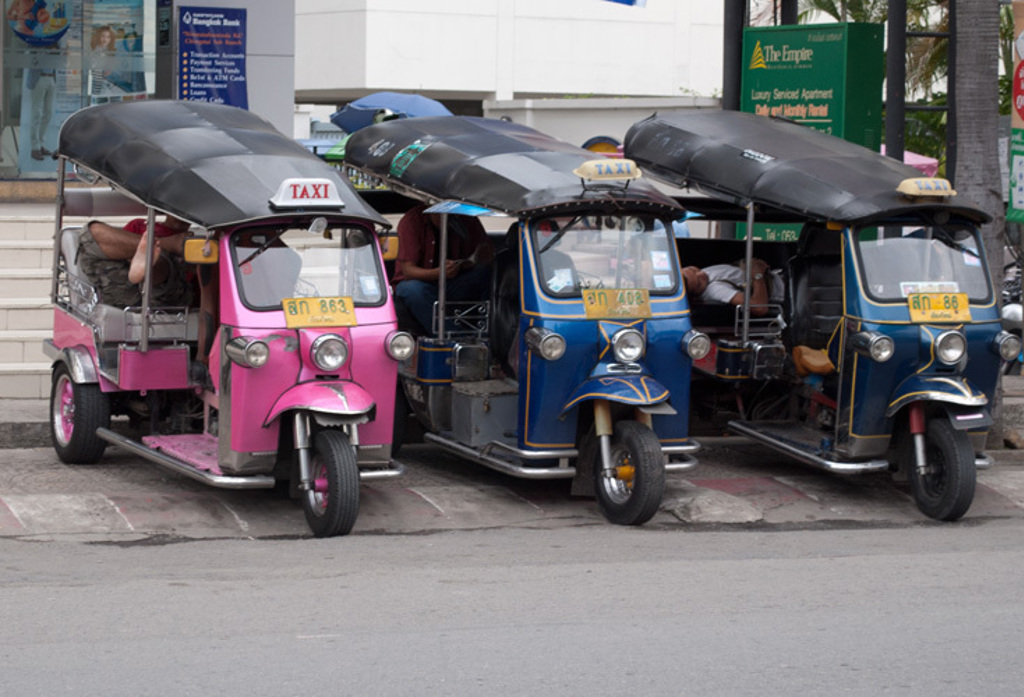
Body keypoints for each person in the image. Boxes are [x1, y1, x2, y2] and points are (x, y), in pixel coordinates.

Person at [392, 203, 493, 334]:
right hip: (421, 285)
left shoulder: (466, 218)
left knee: (486, 273)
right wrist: (438, 273)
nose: (450, 219)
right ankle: (454, 335)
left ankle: (488, 333)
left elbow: (486, 251)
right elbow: (408, 271)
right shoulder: (412, 221)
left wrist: (474, 259)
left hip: (454, 284)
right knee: (411, 289)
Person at [77, 215, 192, 308]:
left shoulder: (201, 241)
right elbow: (118, 252)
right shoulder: (139, 226)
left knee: (163, 262)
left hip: (166, 296)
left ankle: (148, 262)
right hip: (126, 288)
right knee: (92, 232)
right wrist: (169, 244)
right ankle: (156, 249)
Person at [682, 258, 782, 317]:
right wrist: (758, 275)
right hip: (781, 289)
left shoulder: (703, 275)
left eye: (693, 270)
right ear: (695, 297)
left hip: (777, 274)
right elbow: (760, 308)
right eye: (699, 282)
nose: (702, 274)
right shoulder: (716, 290)